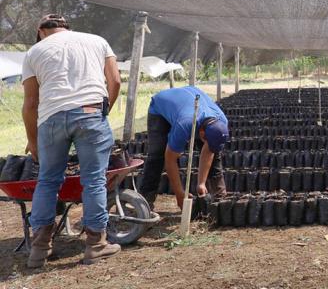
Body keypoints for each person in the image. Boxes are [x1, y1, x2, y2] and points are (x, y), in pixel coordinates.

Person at [22, 14, 122, 268]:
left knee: (47, 180)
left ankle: (39, 249)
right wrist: (102, 112)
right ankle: (96, 244)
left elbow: (31, 103)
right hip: (90, 112)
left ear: (41, 31)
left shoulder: (34, 52)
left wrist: (33, 141)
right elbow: (115, 81)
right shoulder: (97, 41)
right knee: (94, 180)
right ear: (66, 27)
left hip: (51, 120)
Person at [139, 86, 228, 211]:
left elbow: (210, 152)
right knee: (157, 155)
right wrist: (179, 194)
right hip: (160, 108)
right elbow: (170, 159)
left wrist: (201, 183)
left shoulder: (222, 121)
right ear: (202, 133)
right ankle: (145, 201)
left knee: (215, 158)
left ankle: (220, 201)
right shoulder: (185, 123)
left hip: (189, 104)